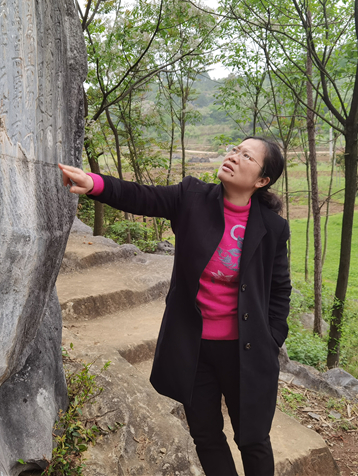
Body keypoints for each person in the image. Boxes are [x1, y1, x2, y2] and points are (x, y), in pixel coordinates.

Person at [59, 137, 291, 476]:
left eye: (246, 156)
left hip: (247, 350)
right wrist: (94, 183)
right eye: (234, 150)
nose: (233, 157)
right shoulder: (192, 198)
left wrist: (272, 338)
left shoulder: (272, 228)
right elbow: (141, 196)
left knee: (253, 439)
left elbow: (279, 289)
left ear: (262, 180)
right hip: (193, 348)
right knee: (206, 435)